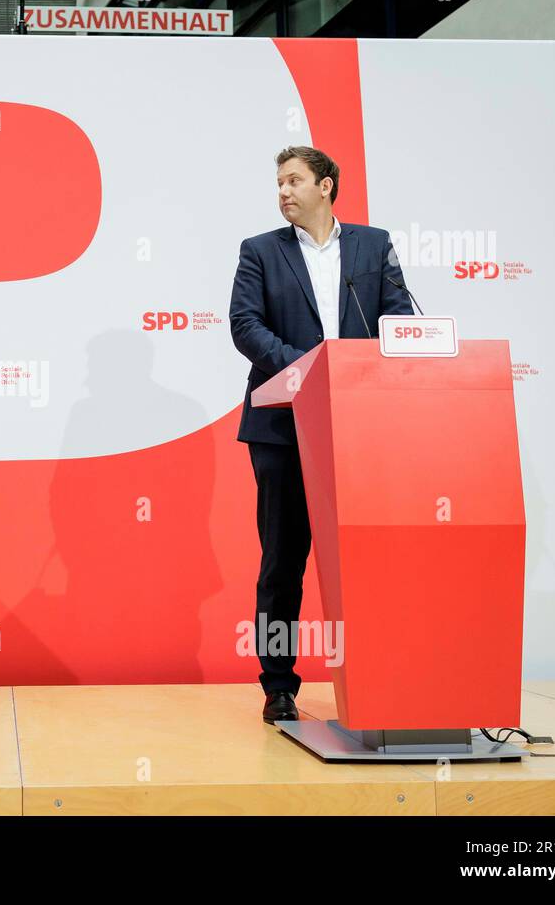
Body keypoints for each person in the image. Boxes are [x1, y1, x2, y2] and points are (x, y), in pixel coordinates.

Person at [229, 145, 412, 724]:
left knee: (366, 559)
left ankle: (381, 675)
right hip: (283, 428)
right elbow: (244, 324)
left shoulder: (372, 244)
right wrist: (305, 369)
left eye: (294, 181)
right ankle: (279, 685)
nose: (283, 191)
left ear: (327, 186)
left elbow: (399, 318)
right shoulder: (259, 251)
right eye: (278, 183)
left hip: (359, 427)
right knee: (283, 560)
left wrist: (379, 359)